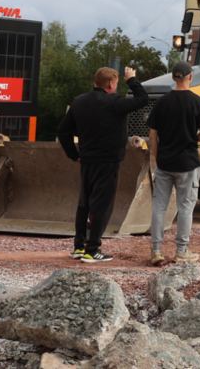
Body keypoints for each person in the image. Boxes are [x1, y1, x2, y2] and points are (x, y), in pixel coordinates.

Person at [57, 65, 148, 263]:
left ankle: (79, 246)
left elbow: (63, 132)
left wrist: (74, 154)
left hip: (87, 159)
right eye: (115, 83)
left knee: (85, 203)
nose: (116, 86)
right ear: (110, 84)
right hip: (108, 161)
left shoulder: (79, 102)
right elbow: (143, 99)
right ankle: (93, 249)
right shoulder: (115, 103)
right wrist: (131, 79)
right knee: (101, 204)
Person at [147, 61, 200, 267]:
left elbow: (153, 135)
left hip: (165, 162)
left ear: (174, 77)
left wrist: (155, 158)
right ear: (190, 77)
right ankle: (181, 251)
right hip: (188, 163)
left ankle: (156, 250)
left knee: (159, 206)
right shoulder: (197, 102)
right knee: (185, 207)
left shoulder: (162, 102)